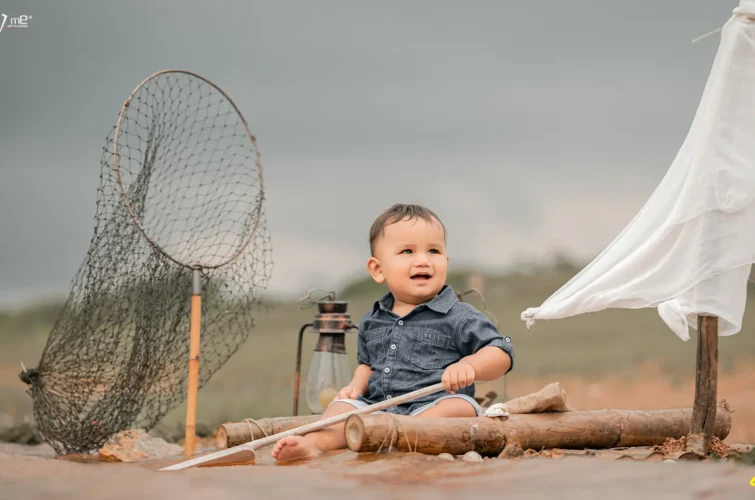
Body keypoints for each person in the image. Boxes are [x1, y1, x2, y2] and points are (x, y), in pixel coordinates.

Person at [272, 203, 514, 462]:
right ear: (378, 269)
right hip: (378, 409)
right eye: (407, 251)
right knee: (340, 409)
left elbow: (501, 352)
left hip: (432, 408)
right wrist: (355, 386)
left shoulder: (459, 316)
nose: (423, 260)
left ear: (445, 260)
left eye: (433, 251)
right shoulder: (372, 320)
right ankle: (313, 444)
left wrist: (471, 365)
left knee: (459, 408)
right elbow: (368, 365)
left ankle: (405, 439)